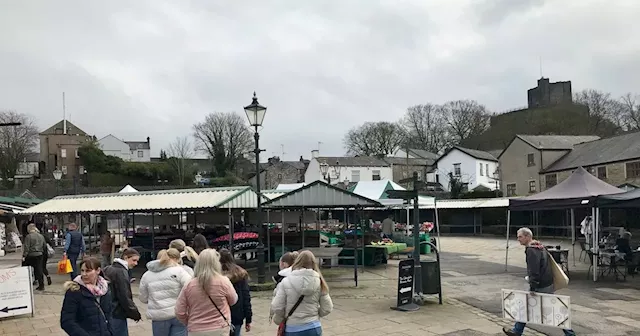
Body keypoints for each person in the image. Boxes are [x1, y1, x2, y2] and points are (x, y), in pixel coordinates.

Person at [503, 228, 575, 336]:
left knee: (549, 309)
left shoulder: (531, 250)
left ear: (527, 237)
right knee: (528, 306)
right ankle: (517, 330)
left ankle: (570, 333)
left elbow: (534, 270)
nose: (518, 239)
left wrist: (533, 287)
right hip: (547, 282)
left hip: (541, 284)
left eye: (520, 237)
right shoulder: (539, 246)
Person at [175, 248, 238, 335]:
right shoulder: (223, 281)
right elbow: (233, 300)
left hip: (196, 329)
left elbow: (179, 311)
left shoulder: (189, 284)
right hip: (219, 327)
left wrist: (189, 322)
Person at [271, 250, 333, 336]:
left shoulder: (286, 282)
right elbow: (327, 308)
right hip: (313, 327)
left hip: (293, 328)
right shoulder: (319, 282)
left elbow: (277, 306)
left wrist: (285, 316)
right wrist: (314, 314)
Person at [140, 248, 193, 336]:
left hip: (158, 316)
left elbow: (143, 298)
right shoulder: (179, 271)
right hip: (178, 313)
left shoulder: (146, 275)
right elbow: (190, 289)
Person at [60, 257, 114, 336]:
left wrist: (110, 331)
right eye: (82, 271)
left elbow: (109, 314)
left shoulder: (105, 289)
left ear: (98, 271)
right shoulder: (74, 291)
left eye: (88, 271)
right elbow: (67, 321)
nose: (84, 274)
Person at [103, 248, 142, 336]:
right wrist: (134, 313)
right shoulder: (122, 272)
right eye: (134, 260)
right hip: (117, 312)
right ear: (125, 258)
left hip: (108, 310)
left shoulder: (108, 268)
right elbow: (124, 296)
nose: (136, 263)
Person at [219, 249, 252, 336]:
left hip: (220, 315)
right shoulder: (240, 274)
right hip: (237, 314)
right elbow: (246, 297)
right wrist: (248, 318)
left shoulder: (217, 276)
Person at [23, 223, 46, 291]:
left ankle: (26, 282)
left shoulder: (28, 236)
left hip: (31, 255)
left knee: (26, 268)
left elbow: (27, 247)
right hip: (39, 254)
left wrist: (24, 256)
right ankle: (41, 285)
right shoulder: (41, 236)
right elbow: (44, 245)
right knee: (39, 269)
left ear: (29, 229)